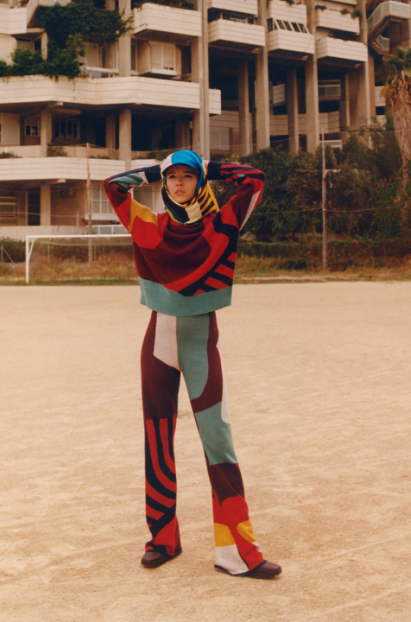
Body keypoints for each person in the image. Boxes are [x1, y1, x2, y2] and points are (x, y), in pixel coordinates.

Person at [103, 150, 281, 579]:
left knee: (219, 445)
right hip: (157, 346)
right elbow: (113, 186)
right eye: (173, 177)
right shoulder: (149, 225)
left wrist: (207, 165)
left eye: (187, 176)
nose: (179, 183)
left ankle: (237, 554)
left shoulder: (223, 224)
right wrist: (159, 167)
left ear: (200, 182)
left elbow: (254, 180)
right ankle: (162, 539)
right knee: (157, 443)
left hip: (201, 346)